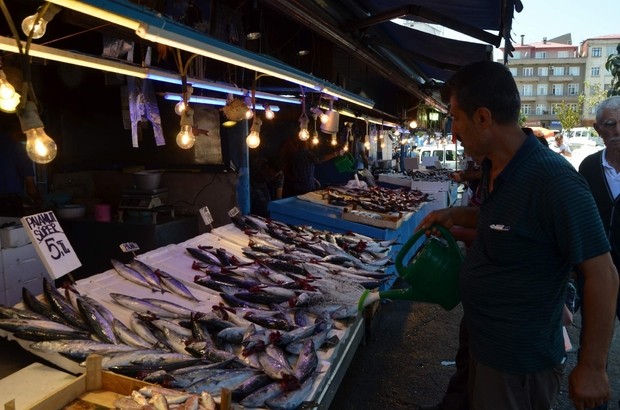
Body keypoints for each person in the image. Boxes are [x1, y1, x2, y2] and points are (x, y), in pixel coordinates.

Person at [415, 60, 618, 410]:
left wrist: (592, 367)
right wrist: (454, 214)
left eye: (455, 118)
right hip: (483, 344)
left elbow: (604, 275)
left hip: (518, 363)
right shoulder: (495, 165)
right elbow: (504, 220)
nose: (453, 133)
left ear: (482, 118)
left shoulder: (556, 182)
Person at [578, 96, 620, 410]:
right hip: (595, 273)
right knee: (593, 345)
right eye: (610, 125)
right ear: (597, 129)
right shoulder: (589, 167)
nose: (618, 131)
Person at [0, 113, 41, 216]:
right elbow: (31, 188)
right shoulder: (18, 149)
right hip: (9, 204)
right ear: (16, 130)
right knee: (11, 230)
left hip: (8, 201)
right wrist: (39, 201)